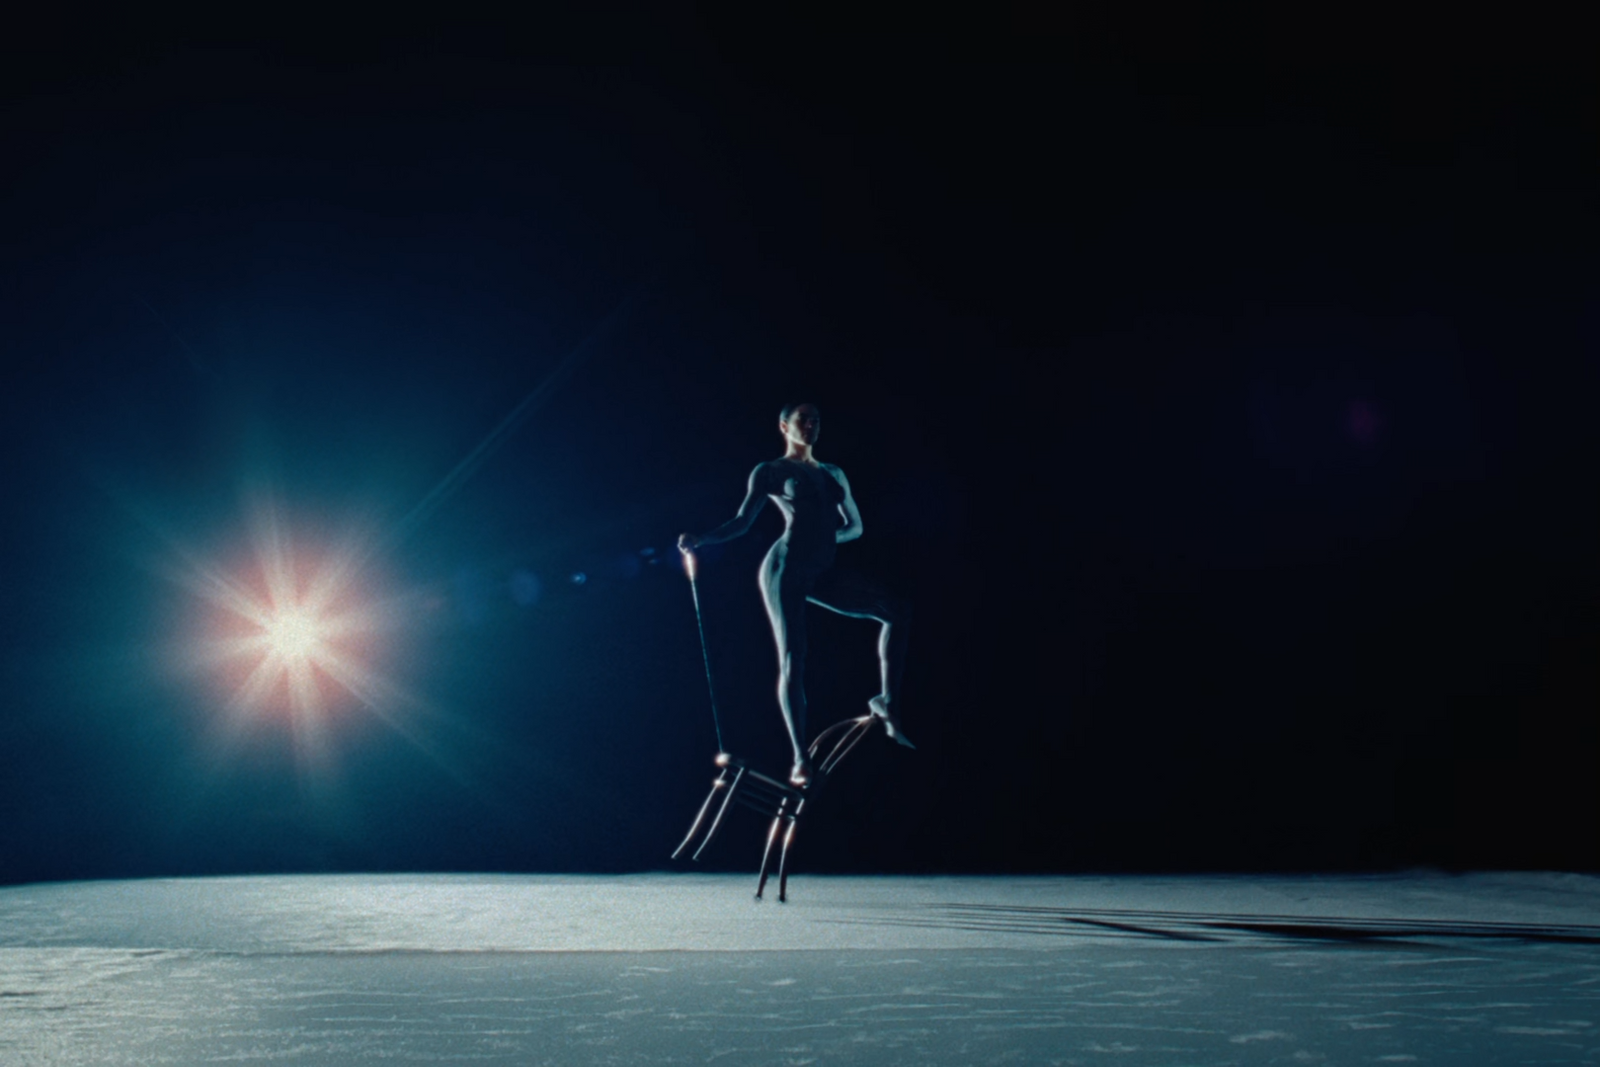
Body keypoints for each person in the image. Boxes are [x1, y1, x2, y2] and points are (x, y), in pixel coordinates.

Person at [679, 402, 913, 787]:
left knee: (897, 611)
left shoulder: (834, 473)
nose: (810, 425)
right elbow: (742, 522)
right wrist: (702, 539)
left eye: (816, 419)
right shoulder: (772, 471)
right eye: (802, 419)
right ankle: (800, 759)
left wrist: (822, 539)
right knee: (794, 655)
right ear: (784, 426)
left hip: (820, 570)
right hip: (784, 568)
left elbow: (854, 527)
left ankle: (886, 702)